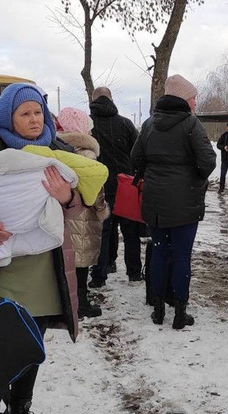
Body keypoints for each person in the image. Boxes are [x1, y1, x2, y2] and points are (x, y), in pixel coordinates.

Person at [0, 83, 83, 414]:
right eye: (25, 113)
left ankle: (21, 405)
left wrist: (67, 197)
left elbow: (90, 201)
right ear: (8, 117)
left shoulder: (57, 147)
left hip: (43, 267)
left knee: (30, 340)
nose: (35, 119)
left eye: (38, 111)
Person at [131, 74, 216, 330]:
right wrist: (194, 177)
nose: (195, 102)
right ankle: (180, 312)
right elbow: (208, 162)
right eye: (193, 97)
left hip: (155, 202)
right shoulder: (191, 124)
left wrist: (154, 172)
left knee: (159, 252)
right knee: (181, 257)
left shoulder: (148, 125)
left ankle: (157, 309)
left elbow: (135, 159)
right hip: (184, 203)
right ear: (184, 98)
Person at [57, 107, 108, 318]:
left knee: (65, 260)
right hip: (83, 216)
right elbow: (95, 189)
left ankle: (65, 300)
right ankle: (79, 302)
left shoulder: (56, 150)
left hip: (61, 215)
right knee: (80, 263)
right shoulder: (87, 154)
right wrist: (102, 209)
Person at [88, 86, 142, 287]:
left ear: (93, 100)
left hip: (99, 185)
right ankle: (134, 272)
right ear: (111, 99)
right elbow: (138, 154)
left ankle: (99, 275)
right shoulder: (126, 124)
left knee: (103, 231)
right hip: (126, 184)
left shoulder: (88, 125)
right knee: (131, 232)